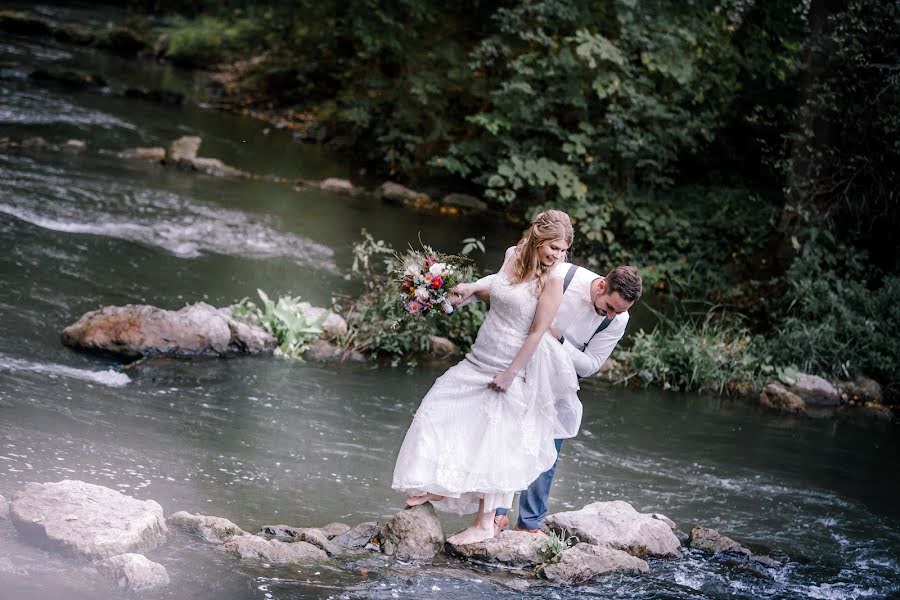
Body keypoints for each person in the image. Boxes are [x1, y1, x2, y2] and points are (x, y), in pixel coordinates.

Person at [391, 210, 582, 545]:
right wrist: (467, 288)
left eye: (563, 251)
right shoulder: (513, 255)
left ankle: (484, 522)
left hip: (510, 363)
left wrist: (511, 374)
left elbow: (538, 333)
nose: (558, 256)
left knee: (495, 439)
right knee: (440, 407)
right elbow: (497, 284)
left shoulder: (552, 282)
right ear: (537, 238)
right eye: (554, 248)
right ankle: (435, 485)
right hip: (482, 351)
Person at [454, 262, 643, 535]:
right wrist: (470, 290)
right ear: (602, 284)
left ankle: (530, 524)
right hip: (519, 365)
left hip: (559, 382)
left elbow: (590, 365)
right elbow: (509, 283)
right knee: (505, 439)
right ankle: (497, 516)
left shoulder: (618, 320)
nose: (611, 315)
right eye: (610, 307)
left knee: (547, 450)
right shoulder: (563, 274)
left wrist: (558, 339)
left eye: (620, 311)